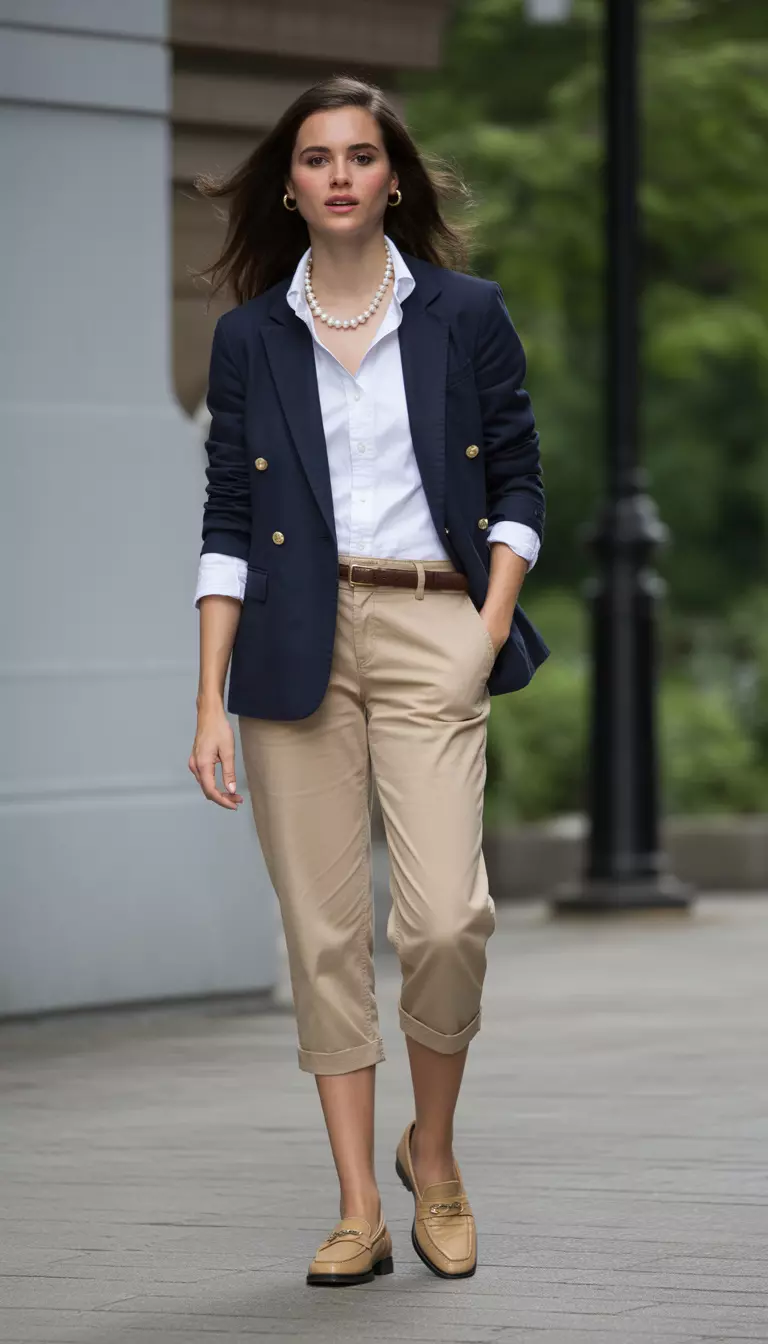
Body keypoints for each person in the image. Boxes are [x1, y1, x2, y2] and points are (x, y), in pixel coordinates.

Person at [188, 74, 548, 1288]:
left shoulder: (467, 314)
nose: (338, 175)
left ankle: (430, 1154)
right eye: (315, 158)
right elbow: (227, 521)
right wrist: (207, 699)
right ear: (289, 188)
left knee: (445, 919)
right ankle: (358, 1209)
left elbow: (520, 478)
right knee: (323, 933)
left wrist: (485, 627)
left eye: (359, 155)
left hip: (435, 621)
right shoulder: (251, 337)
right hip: (291, 639)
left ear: (393, 178)